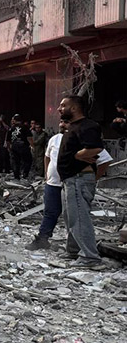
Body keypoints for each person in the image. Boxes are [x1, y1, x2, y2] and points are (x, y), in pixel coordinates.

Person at [25, 119, 113, 250]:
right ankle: (43, 238)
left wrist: (93, 179)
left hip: (72, 184)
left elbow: (105, 160)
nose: (62, 124)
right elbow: (47, 156)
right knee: (50, 212)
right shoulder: (54, 139)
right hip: (53, 183)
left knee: (74, 217)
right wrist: (47, 174)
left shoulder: (83, 139)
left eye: (66, 122)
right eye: (61, 121)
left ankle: (78, 248)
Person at [57, 95, 104, 268]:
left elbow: (96, 147)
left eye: (63, 105)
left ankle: (90, 257)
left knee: (79, 218)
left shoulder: (87, 125)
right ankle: (73, 250)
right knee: (70, 217)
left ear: (74, 108)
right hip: (70, 179)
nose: (59, 109)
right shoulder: (73, 127)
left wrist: (78, 156)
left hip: (79, 179)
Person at [8, 114, 32, 181]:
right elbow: (29, 138)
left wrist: (9, 148)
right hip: (24, 146)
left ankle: (16, 176)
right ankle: (25, 175)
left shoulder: (11, 128)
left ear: (15, 120)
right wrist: (32, 146)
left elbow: (8, 140)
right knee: (28, 161)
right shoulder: (25, 127)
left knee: (16, 162)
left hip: (14, 147)